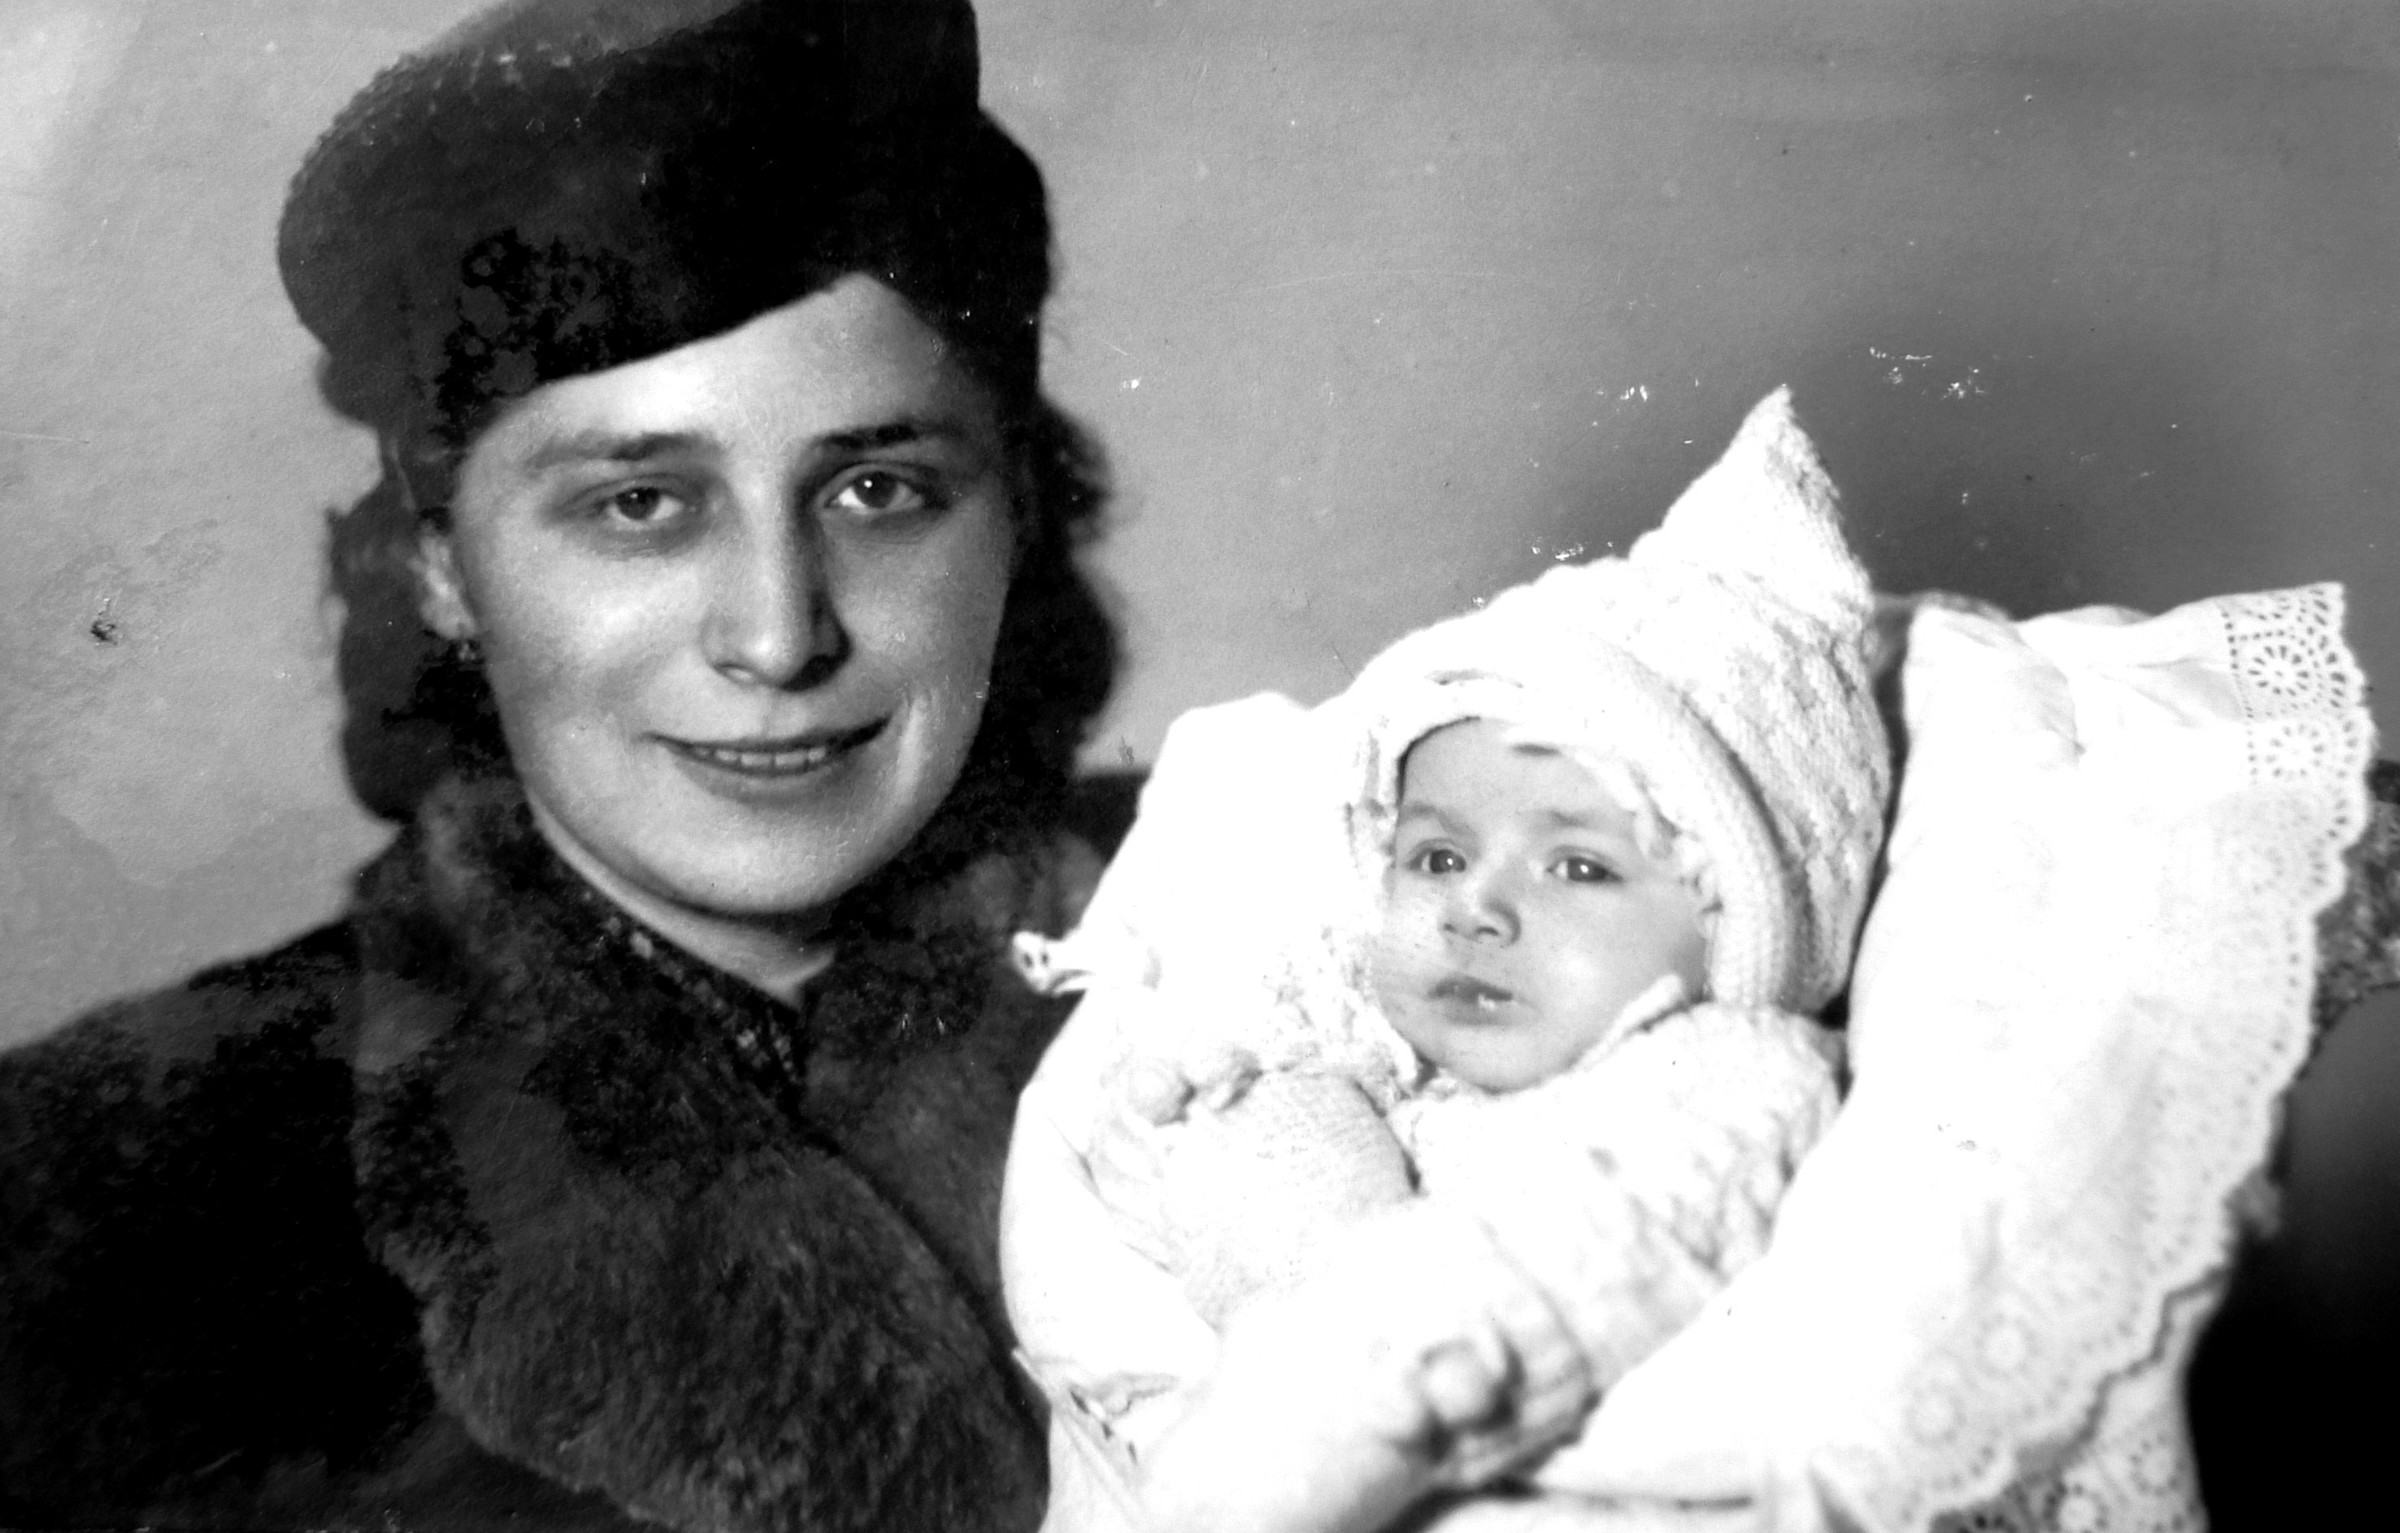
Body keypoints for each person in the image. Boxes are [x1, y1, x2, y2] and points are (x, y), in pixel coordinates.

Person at [0, 1, 1121, 1528]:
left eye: (877, 488)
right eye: (640, 504)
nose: (779, 635)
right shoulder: (110, 1198)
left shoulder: (1319, 955)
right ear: (443, 567)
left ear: (1013, 516)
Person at [1003, 389, 1890, 1531]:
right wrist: (1192, 1098)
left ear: (1743, 932)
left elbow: (1567, 1270)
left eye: (1578, 867)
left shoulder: (1737, 1074)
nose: (1477, 908)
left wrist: (1338, 1400)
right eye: (1437, 855)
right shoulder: (1368, 1059)